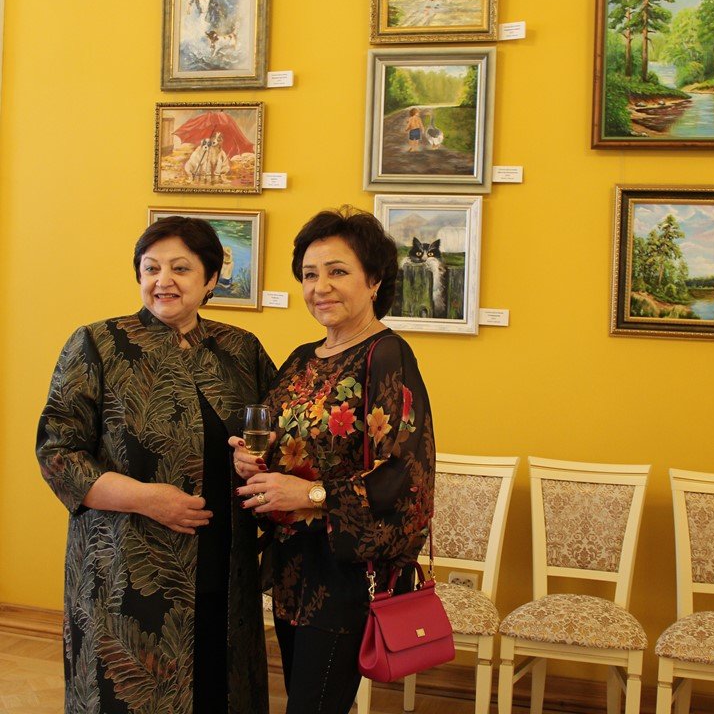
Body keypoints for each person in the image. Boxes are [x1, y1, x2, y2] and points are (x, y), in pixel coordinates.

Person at [36, 216, 277, 714]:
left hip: (225, 562)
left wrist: (259, 457)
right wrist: (149, 499)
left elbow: (276, 431)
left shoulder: (241, 349)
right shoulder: (98, 344)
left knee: (218, 688)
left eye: (180, 268)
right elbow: (58, 454)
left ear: (211, 279)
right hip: (127, 570)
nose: (163, 280)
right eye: (151, 268)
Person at [232, 207, 436, 714]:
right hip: (291, 565)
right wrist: (250, 461)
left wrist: (311, 494)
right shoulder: (302, 358)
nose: (320, 287)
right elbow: (276, 438)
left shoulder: (386, 355)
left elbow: (404, 471)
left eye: (337, 271)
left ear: (374, 280)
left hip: (345, 569)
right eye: (309, 274)